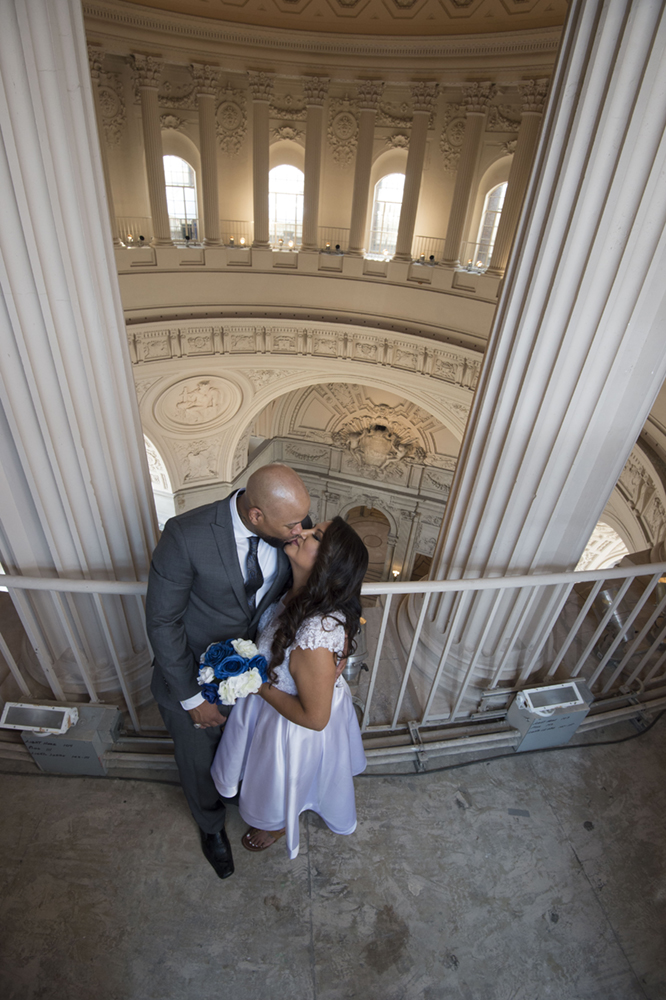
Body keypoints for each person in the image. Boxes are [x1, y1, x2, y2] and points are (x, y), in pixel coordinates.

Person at [145, 464, 311, 880]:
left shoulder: (290, 527)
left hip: (256, 682)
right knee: (199, 763)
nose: (300, 529)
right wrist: (192, 699)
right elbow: (163, 622)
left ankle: (246, 802)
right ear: (256, 515)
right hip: (193, 679)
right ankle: (211, 827)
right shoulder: (186, 534)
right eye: (291, 523)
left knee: (248, 752)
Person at [211, 516, 369, 858]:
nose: (301, 531)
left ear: (329, 564)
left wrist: (253, 683)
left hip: (290, 722)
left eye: (316, 536)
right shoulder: (293, 593)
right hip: (274, 701)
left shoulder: (315, 635)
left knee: (278, 779)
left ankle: (275, 821)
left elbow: (314, 719)